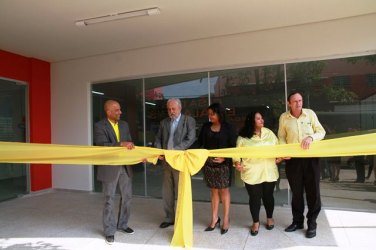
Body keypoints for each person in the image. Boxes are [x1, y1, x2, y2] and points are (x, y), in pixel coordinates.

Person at [278, 91, 326, 239]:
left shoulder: (310, 114)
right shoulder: (284, 118)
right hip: (293, 160)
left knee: (313, 192)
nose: (299, 103)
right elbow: (281, 137)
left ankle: (312, 223)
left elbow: (321, 132)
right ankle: (297, 222)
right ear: (289, 103)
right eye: (295, 101)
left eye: (300, 100)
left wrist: (311, 137)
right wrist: (284, 150)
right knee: (297, 193)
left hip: (311, 159)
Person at [94, 100, 136, 244]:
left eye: (120, 109)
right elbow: (101, 145)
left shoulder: (124, 125)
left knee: (127, 197)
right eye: (117, 110)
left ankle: (123, 224)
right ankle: (109, 231)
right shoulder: (99, 126)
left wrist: (139, 155)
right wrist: (120, 144)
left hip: (124, 166)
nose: (120, 112)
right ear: (108, 112)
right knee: (109, 200)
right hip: (109, 167)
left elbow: (130, 143)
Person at [233, 111, 280, 236]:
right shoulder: (243, 137)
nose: (262, 120)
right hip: (252, 172)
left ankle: (269, 218)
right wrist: (237, 163)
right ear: (252, 121)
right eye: (258, 118)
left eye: (262, 118)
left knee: (268, 196)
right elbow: (236, 153)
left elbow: (279, 147)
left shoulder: (269, 133)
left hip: (269, 171)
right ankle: (256, 222)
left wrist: (279, 157)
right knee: (255, 198)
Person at [154, 98, 196, 229]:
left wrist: (174, 151)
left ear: (180, 108)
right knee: (167, 192)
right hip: (166, 162)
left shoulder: (189, 121)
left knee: (181, 191)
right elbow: (158, 139)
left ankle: (182, 218)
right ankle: (169, 218)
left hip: (180, 161)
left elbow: (191, 139)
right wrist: (159, 150)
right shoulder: (164, 123)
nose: (171, 111)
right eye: (169, 109)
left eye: (173, 109)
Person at [197, 103, 237, 235]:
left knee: (224, 191)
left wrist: (225, 158)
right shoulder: (206, 127)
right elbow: (199, 143)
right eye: (208, 114)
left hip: (224, 165)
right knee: (213, 192)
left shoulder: (228, 128)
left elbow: (234, 146)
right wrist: (185, 151)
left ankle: (226, 219)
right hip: (209, 164)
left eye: (212, 114)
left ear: (219, 113)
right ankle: (214, 219)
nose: (210, 117)